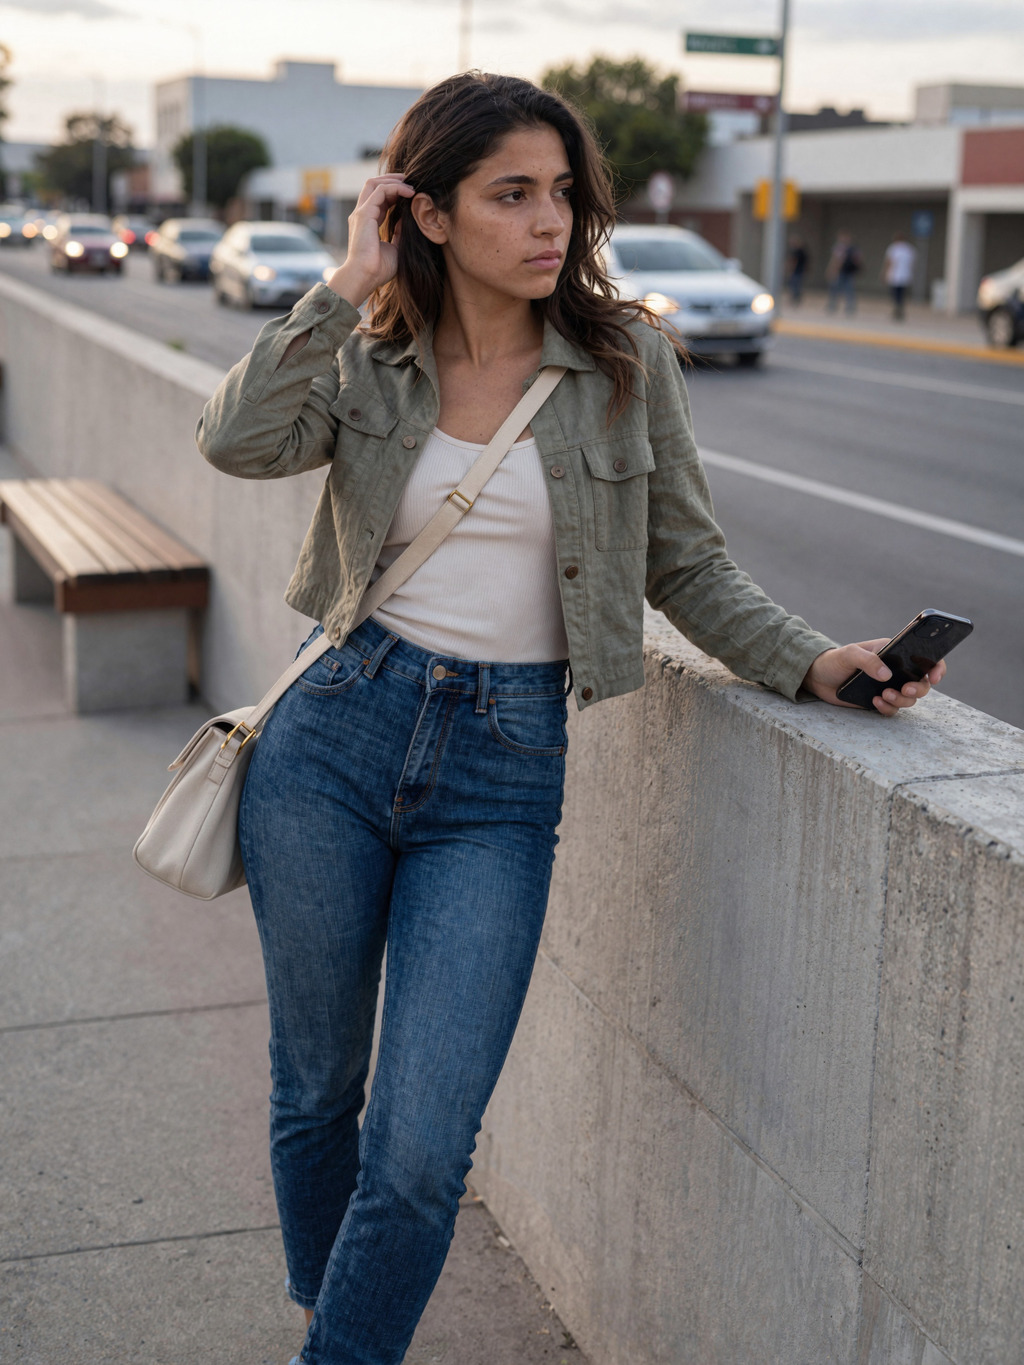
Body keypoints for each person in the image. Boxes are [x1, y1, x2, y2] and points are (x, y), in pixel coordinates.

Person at [196, 73, 946, 1365]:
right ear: (424, 213)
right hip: (333, 734)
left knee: (424, 1147)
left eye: (562, 195)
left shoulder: (621, 360)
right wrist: (336, 281)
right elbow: (236, 441)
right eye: (512, 196)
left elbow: (687, 565)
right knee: (318, 1093)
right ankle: (341, 1322)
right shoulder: (367, 351)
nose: (553, 223)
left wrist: (818, 659)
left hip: (502, 770)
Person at [825, 229, 863, 314]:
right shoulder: (854, 248)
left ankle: (834, 306)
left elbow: (836, 260)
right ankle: (848, 307)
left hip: (842, 272)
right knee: (847, 290)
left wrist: (832, 270)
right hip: (848, 272)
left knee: (838, 289)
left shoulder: (841, 248)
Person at [883, 231, 917, 320]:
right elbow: (912, 263)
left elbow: (889, 262)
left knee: (895, 293)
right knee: (901, 294)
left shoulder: (894, 248)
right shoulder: (909, 249)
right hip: (905, 275)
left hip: (895, 274)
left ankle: (897, 308)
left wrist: (885, 273)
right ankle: (899, 307)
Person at [785, 233, 809, 304]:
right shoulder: (798, 251)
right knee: (795, 286)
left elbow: (794, 261)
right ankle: (795, 299)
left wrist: (790, 269)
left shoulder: (798, 251)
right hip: (798, 271)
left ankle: (795, 300)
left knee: (795, 286)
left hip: (797, 271)